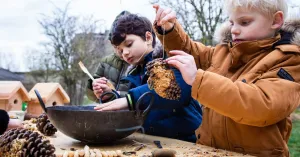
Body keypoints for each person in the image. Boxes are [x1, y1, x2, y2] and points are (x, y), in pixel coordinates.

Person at [153, 0, 300, 156]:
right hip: (208, 151)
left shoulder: (289, 60)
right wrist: (169, 30)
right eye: (232, 23)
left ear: (276, 20)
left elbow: (262, 105)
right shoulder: (223, 52)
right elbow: (190, 51)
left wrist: (198, 79)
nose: (235, 30)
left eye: (244, 22)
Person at [94, 13, 202, 142]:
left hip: (187, 140)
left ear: (148, 37)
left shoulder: (168, 57)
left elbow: (179, 88)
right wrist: (109, 96)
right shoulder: (132, 75)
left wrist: (131, 99)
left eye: (128, 44)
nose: (125, 53)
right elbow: (130, 105)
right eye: (120, 50)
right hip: (152, 141)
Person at [87, 11, 131, 103]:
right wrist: (94, 86)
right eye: (116, 46)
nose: (120, 51)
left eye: (126, 45)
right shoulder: (106, 62)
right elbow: (91, 95)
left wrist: (114, 93)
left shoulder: (138, 63)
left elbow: (142, 96)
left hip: (131, 114)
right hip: (107, 112)